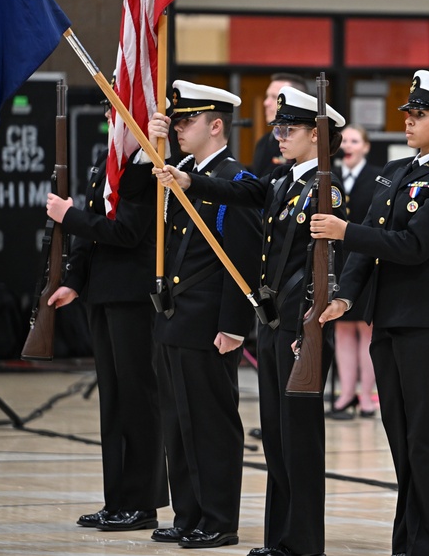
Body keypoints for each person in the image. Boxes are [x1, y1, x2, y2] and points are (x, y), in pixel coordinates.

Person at [157, 86, 346, 556]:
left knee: (299, 439)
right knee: (278, 437)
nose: (279, 136)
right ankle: (281, 540)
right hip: (274, 323)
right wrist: (190, 183)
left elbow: (326, 265)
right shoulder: (281, 183)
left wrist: (310, 322)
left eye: (291, 129)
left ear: (317, 137)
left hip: (301, 327)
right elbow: (238, 189)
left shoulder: (327, 189)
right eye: (279, 128)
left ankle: (303, 543)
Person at [310, 70, 429, 556]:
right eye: (408, 113)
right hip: (390, 317)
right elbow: (368, 241)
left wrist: (344, 233)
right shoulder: (400, 170)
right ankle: (409, 540)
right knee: (400, 438)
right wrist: (344, 296)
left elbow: (414, 245)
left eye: (419, 115)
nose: (408, 121)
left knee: (425, 435)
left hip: (428, 319)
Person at [144, 81, 262, 549]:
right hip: (175, 317)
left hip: (210, 322)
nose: (177, 129)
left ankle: (218, 518)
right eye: (175, 122)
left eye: (186, 121)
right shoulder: (178, 171)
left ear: (216, 126)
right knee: (178, 423)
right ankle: (189, 513)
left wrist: (235, 325)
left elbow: (244, 257)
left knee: (211, 424)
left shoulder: (235, 181)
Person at [47, 111, 167, 532]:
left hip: (133, 296)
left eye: (117, 109)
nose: (108, 115)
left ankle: (143, 501)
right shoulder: (107, 159)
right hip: (101, 293)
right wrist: (74, 282)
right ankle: (117, 499)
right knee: (113, 401)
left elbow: (129, 232)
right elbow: (88, 236)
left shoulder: (148, 164)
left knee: (138, 398)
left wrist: (71, 215)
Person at [328, 124, 381, 419]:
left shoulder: (376, 178)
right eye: (344, 140)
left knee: (365, 328)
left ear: (366, 146)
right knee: (343, 329)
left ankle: (366, 396)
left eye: (354, 140)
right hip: (338, 260)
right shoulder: (331, 178)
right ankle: (346, 393)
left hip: (366, 260)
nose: (348, 145)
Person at [250, 73, 308, 179]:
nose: (266, 103)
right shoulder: (264, 141)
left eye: (274, 97)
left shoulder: (302, 144)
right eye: (267, 96)